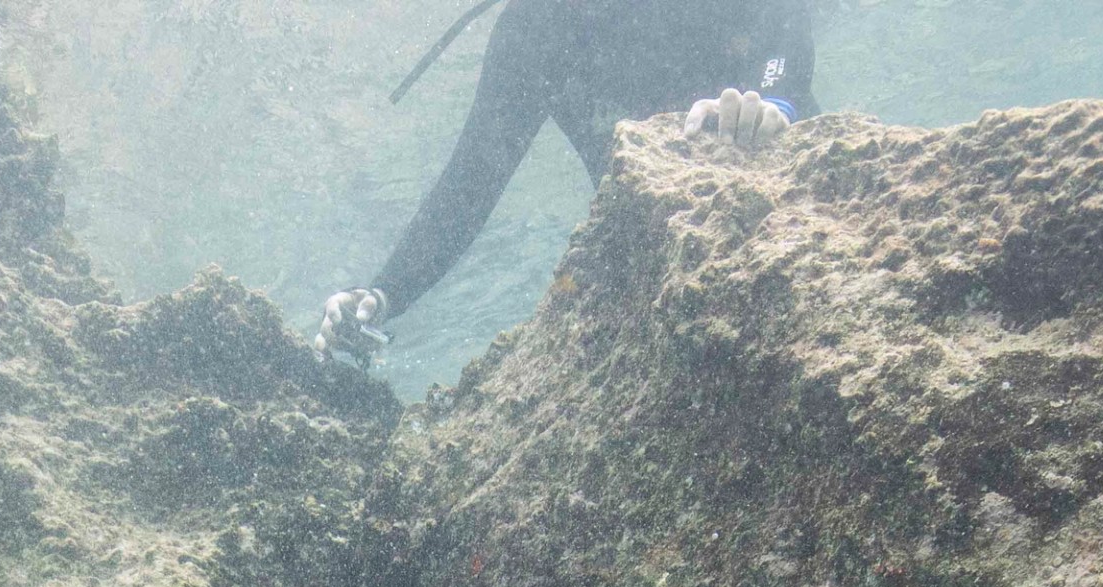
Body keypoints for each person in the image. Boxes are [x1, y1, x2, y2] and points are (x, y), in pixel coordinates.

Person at [321, 0, 811, 361]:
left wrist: (774, 102)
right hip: (643, 278)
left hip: (778, 234)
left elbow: (781, 21)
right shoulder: (537, 25)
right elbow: (472, 180)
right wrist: (383, 294)